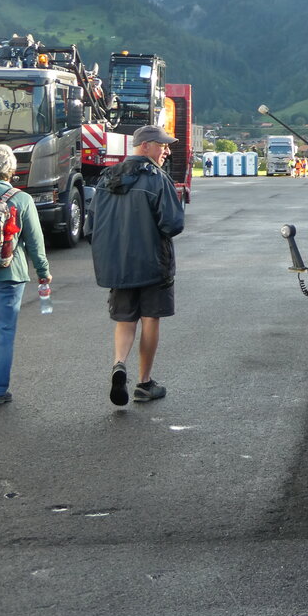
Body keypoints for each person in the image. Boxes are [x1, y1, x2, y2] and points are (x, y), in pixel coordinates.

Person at [86, 125, 185, 406]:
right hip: (153, 263)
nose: (167, 151)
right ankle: (144, 382)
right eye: (162, 145)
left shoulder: (107, 177)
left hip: (118, 266)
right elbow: (173, 224)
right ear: (145, 146)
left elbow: (91, 226)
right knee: (150, 318)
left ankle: (119, 363)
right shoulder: (157, 178)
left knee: (125, 319)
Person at [0, 145, 51, 405]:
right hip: (9, 273)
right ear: (12, 170)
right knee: (3, 332)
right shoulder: (21, 199)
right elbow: (35, 241)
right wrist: (43, 272)